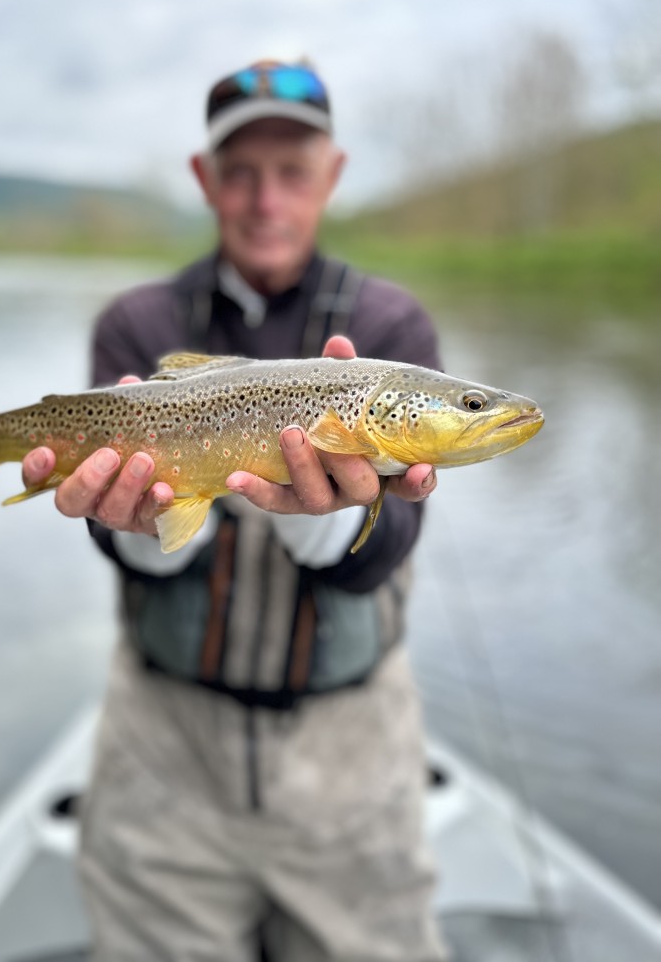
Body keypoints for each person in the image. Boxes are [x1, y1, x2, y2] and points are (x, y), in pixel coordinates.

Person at [23, 60, 447, 961]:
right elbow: (116, 529)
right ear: (204, 179)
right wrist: (142, 531)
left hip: (352, 757)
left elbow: (390, 545)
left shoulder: (393, 330)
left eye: (292, 172)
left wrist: (321, 510)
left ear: (331, 177)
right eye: (241, 172)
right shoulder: (135, 323)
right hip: (164, 756)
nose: (265, 200)